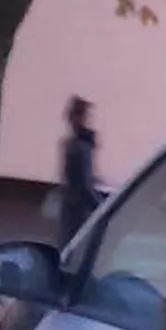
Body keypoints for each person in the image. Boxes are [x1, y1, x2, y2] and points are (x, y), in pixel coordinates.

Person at [56, 97, 101, 248]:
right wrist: (101, 208)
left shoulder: (72, 145)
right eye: (86, 116)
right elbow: (85, 184)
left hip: (72, 210)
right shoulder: (80, 148)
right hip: (79, 213)